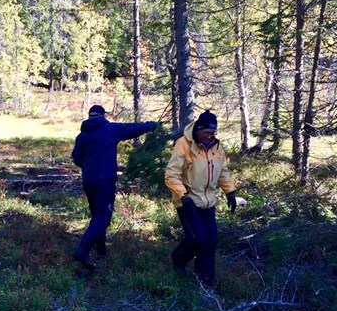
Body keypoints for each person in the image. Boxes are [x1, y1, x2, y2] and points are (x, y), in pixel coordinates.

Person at [71, 105, 159, 270]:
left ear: (89, 117)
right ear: (103, 115)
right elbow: (131, 128)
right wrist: (150, 126)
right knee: (103, 218)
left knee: (97, 216)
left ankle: (102, 253)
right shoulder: (109, 129)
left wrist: (89, 164)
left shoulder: (82, 136)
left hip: (88, 180)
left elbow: (76, 158)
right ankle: (82, 251)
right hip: (105, 180)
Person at [164, 110, 237, 289]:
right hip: (188, 201)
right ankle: (178, 259)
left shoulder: (217, 147)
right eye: (206, 133)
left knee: (210, 241)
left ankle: (206, 283)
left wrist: (230, 191)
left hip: (208, 202)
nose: (209, 136)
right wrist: (183, 195)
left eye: (213, 133)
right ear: (198, 130)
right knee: (198, 239)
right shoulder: (184, 144)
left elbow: (223, 172)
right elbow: (171, 175)